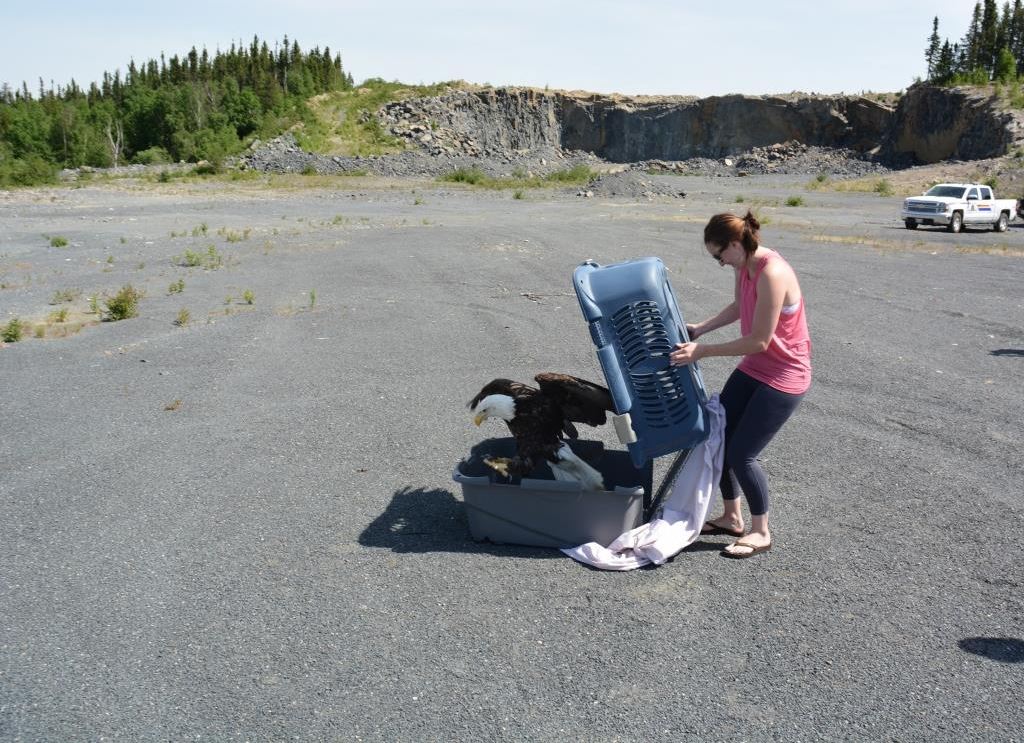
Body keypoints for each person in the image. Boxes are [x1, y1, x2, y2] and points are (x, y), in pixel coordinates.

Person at [669, 211, 811, 559]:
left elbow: (760, 340)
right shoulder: (743, 266)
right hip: (756, 367)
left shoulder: (772, 273)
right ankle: (732, 518)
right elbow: (739, 306)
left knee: (741, 454)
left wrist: (702, 351)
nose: (719, 262)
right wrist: (701, 328)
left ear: (735, 244)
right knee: (716, 435)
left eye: (720, 255)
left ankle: (761, 531)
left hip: (785, 375)